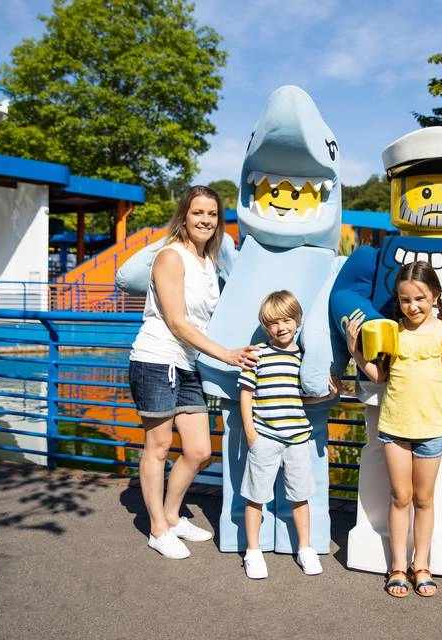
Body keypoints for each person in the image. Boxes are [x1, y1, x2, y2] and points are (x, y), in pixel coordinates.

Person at [345, 261, 442, 598]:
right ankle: (397, 567)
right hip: (394, 427)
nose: (412, 306)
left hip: (430, 428)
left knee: (424, 500)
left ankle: (422, 566)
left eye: (419, 298)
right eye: (405, 300)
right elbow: (380, 376)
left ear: (435, 296)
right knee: (400, 497)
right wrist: (354, 351)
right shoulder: (392, 332)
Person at [128, 185, 259, 559]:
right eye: (198, 212)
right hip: (156, 359)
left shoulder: (208, 261)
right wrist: (227, 355)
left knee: (200, 450)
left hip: (186, 363)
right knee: (158, 447)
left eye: (212, 214)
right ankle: (157, 528)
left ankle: (172, 515)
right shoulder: (171, 257)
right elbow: (177, 321)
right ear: (184, 216)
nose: (205, 220)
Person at [237, 290, 338, 579]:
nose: (281, 327)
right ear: (265, 326)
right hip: (265, 437)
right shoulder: (258, 354)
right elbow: (246, 394)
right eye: (273, 323)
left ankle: (305, 548)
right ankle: (253, 551)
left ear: (297, 320)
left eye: (286, 320)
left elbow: (303, 397)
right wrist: (251, 434)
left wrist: (330, 394)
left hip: (297, 439)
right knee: (255, 496)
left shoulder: (303, 357)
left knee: (300, 496)